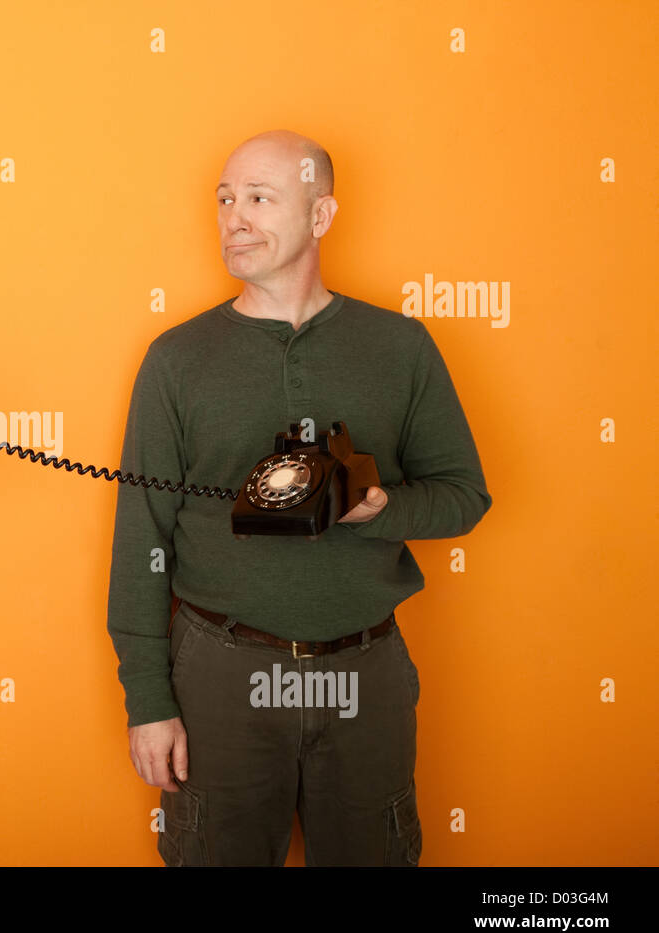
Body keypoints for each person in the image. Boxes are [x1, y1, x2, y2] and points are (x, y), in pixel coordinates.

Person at [106, 129, 492, 866]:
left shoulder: (401, 346)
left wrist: (381, 508)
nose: (233, 218)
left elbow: (464, 496)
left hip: (365, 673)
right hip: (222, 673)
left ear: (320, 216)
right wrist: (148, 701)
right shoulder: (176, 360)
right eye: (224, 200)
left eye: (258, 198)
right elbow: (141, 539)